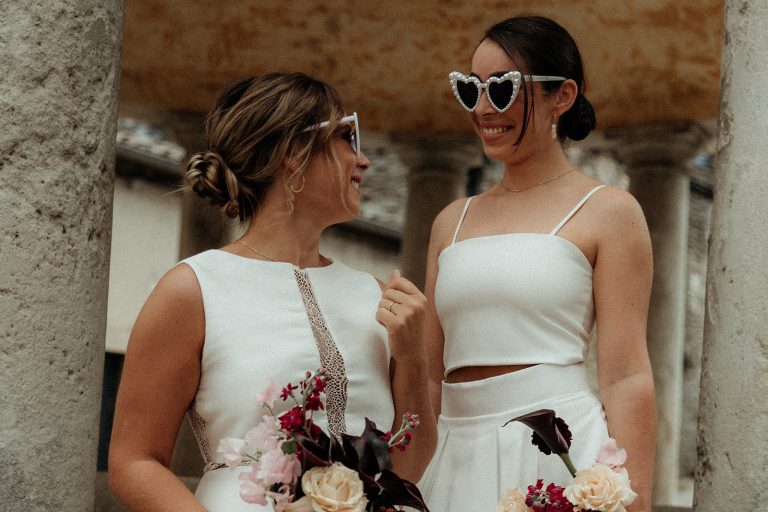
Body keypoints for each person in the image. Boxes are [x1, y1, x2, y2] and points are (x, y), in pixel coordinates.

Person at [108, 72, 435, 511]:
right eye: (345, 137)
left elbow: (407, 471)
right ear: (293, 154)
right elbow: (134, 461)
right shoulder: (193, 289)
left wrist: (412, 358)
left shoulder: (376, 295)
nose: (364, 161)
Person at [418, 16, 656, 512]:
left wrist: (635, 497)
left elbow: (626, 375)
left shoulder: (609, 210)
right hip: (453, 455)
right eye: (470, 89)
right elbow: (427, 373)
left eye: (502, 89)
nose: (483, 108)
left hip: (556, 451)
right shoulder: (450, 221)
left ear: (562, 96)